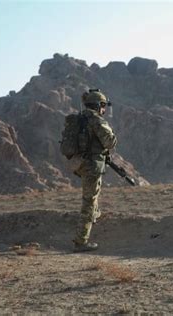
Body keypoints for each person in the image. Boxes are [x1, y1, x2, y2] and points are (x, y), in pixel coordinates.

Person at [72, 89, 117, 252]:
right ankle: (81, 241)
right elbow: (110, 143)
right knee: (89, 201)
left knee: (91, 198)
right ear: (99, 105)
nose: (104, 110)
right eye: (103, 106)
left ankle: (94, 215)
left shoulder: (80, 119)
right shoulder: (96, 120)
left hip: (81, 163)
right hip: (92, 165)